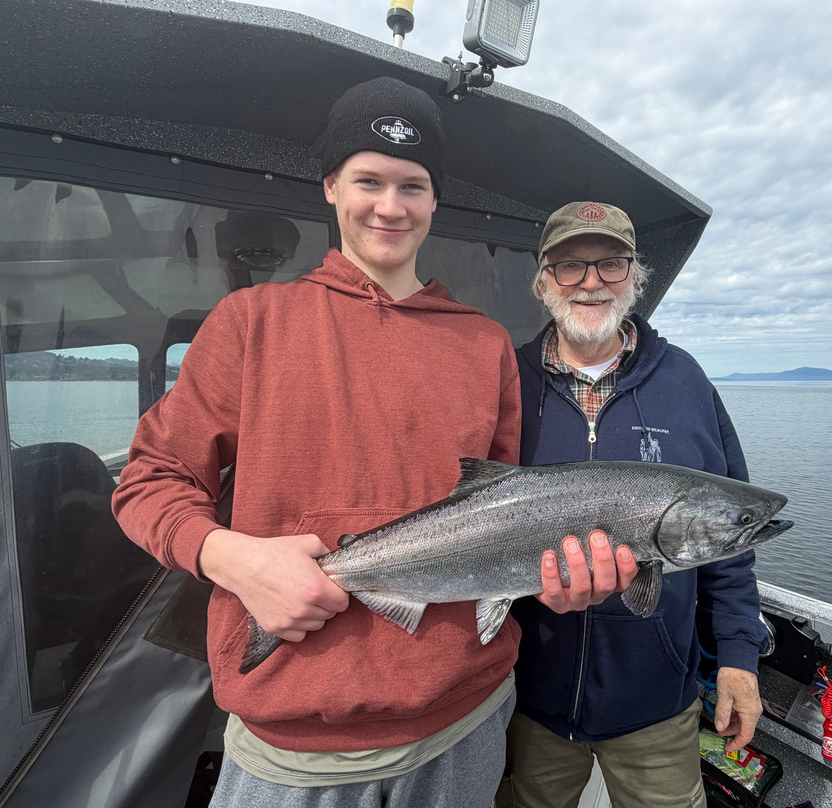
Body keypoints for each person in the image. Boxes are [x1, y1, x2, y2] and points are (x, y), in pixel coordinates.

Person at [112, 79, 626, 808]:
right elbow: (148, 481)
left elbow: (503, 511)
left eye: (412, 185)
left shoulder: (484, 346)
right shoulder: (249, 322)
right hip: (291, 746)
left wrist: (558, 584)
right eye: (368, 180)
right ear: (329, 186)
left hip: (465, 724)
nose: (390, 206)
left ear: (434, 199)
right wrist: (235, 560)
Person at [500, 202, 769, 808]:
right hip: (529, 698)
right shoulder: (504, 382)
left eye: (611, 264)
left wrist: (738, 658)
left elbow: (729, 543)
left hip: (657, 705)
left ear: (635, 275)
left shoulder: (687, 382)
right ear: (544, 280)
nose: (591, 282)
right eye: (570, 266)